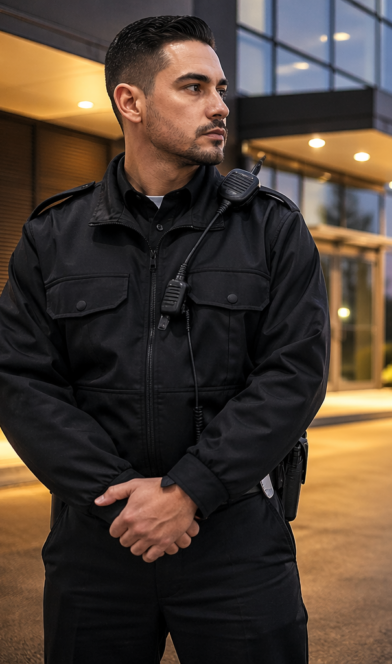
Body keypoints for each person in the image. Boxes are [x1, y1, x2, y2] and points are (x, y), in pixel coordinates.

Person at [0, 16, 329, 663]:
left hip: (236, 547)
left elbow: (293, 373)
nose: (220, 106)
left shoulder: (272, 229)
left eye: (221, 88)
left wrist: (188, 491)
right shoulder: (53, 237)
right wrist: (123, 499)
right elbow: (21, 380)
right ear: (131, 102)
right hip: (99, 546)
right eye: (194, 87)